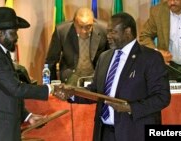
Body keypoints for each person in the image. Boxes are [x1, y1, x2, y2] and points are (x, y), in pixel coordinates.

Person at [55, 12, 171, 141]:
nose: (108, 36)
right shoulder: (105, 57)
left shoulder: (150, 58)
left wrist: (130, 107)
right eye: (108, 32)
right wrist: (71, 93)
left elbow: (162, 97)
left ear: (127, 32)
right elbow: (95, 92)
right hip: (104, 133)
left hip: (134, 132)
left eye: (113, 32)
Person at [0, 7, 63, 141]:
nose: (16, 37)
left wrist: (27, 116)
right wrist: (51, 89)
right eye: (13, 33)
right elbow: (15, 88)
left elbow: (5, 93)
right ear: (0, 33)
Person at [45, 7, 109, 86]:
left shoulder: (104, 30)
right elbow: (51, 60)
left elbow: (110, 57)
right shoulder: (62, 31)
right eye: (80, 26)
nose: (84, 31)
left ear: (93, 22)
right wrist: (51, 85)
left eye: (88, 27)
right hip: (70, 76)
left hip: (95, 76)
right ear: (74, 23)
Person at [139, 0, 181, 82]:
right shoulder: (158, 11)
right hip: (170, 67)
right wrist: (157, 53)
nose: (172, 3)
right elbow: (144, 36)